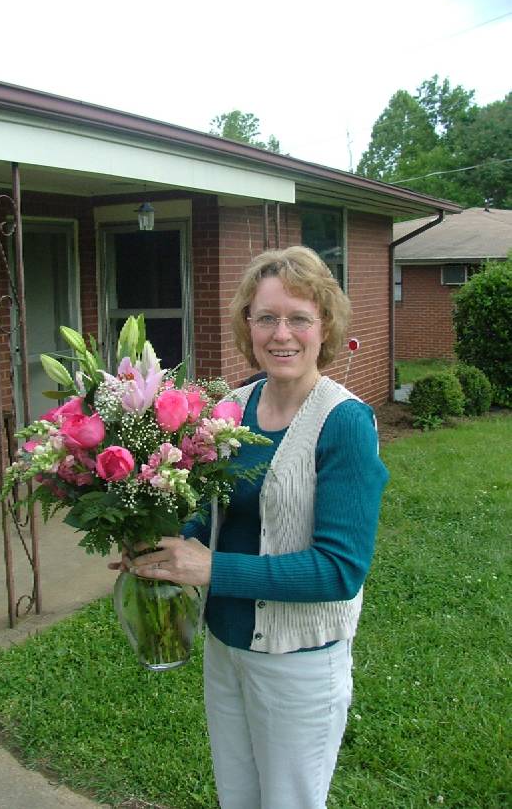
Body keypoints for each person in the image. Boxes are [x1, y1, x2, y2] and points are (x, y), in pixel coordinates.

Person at [114, 245, 389, 809]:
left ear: (325, 326)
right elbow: (213, 509)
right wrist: (160, 538)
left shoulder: (344, 422)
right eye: (266, 317)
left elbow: (340, 571)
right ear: (248, 324)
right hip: (225, 646)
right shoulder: (233, 407)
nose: (281, 334)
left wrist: (211, 569)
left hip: (297, 662)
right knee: (236, 798)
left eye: (298, 318)